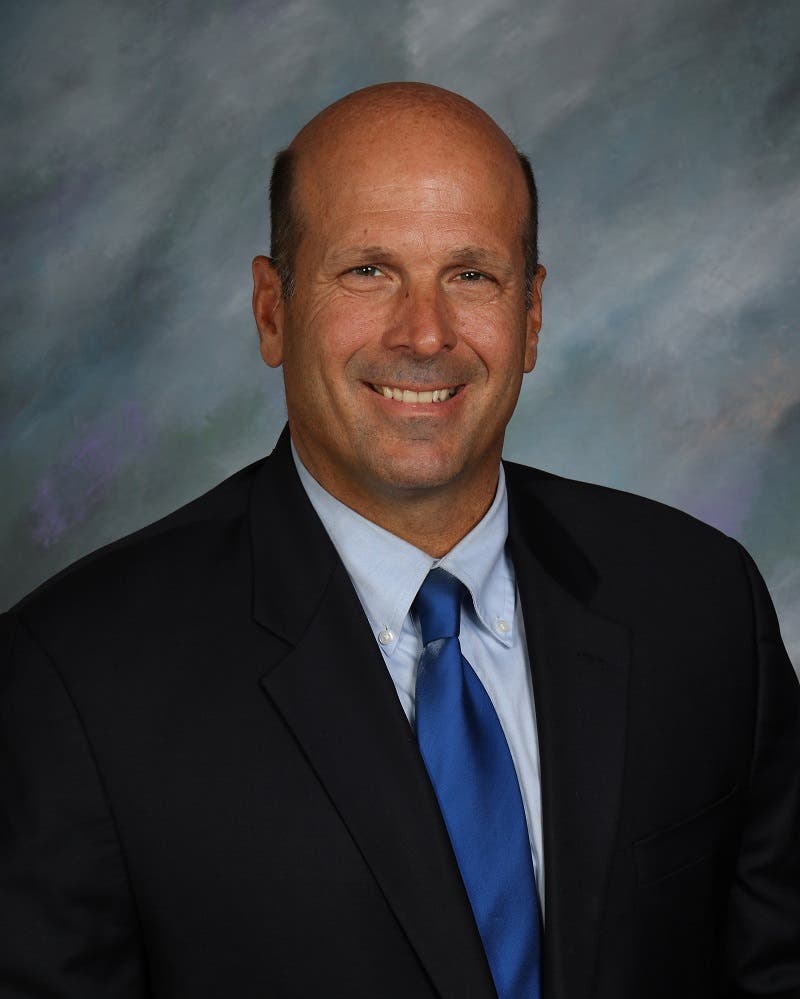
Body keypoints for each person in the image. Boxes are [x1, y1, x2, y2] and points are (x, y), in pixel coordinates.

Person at [1, 82, 798, 999]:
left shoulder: (701, 603)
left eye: (471, 275)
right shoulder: (76, 680)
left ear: (532, 315)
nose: (425, 333)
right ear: (272, 309)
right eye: (368, 270)